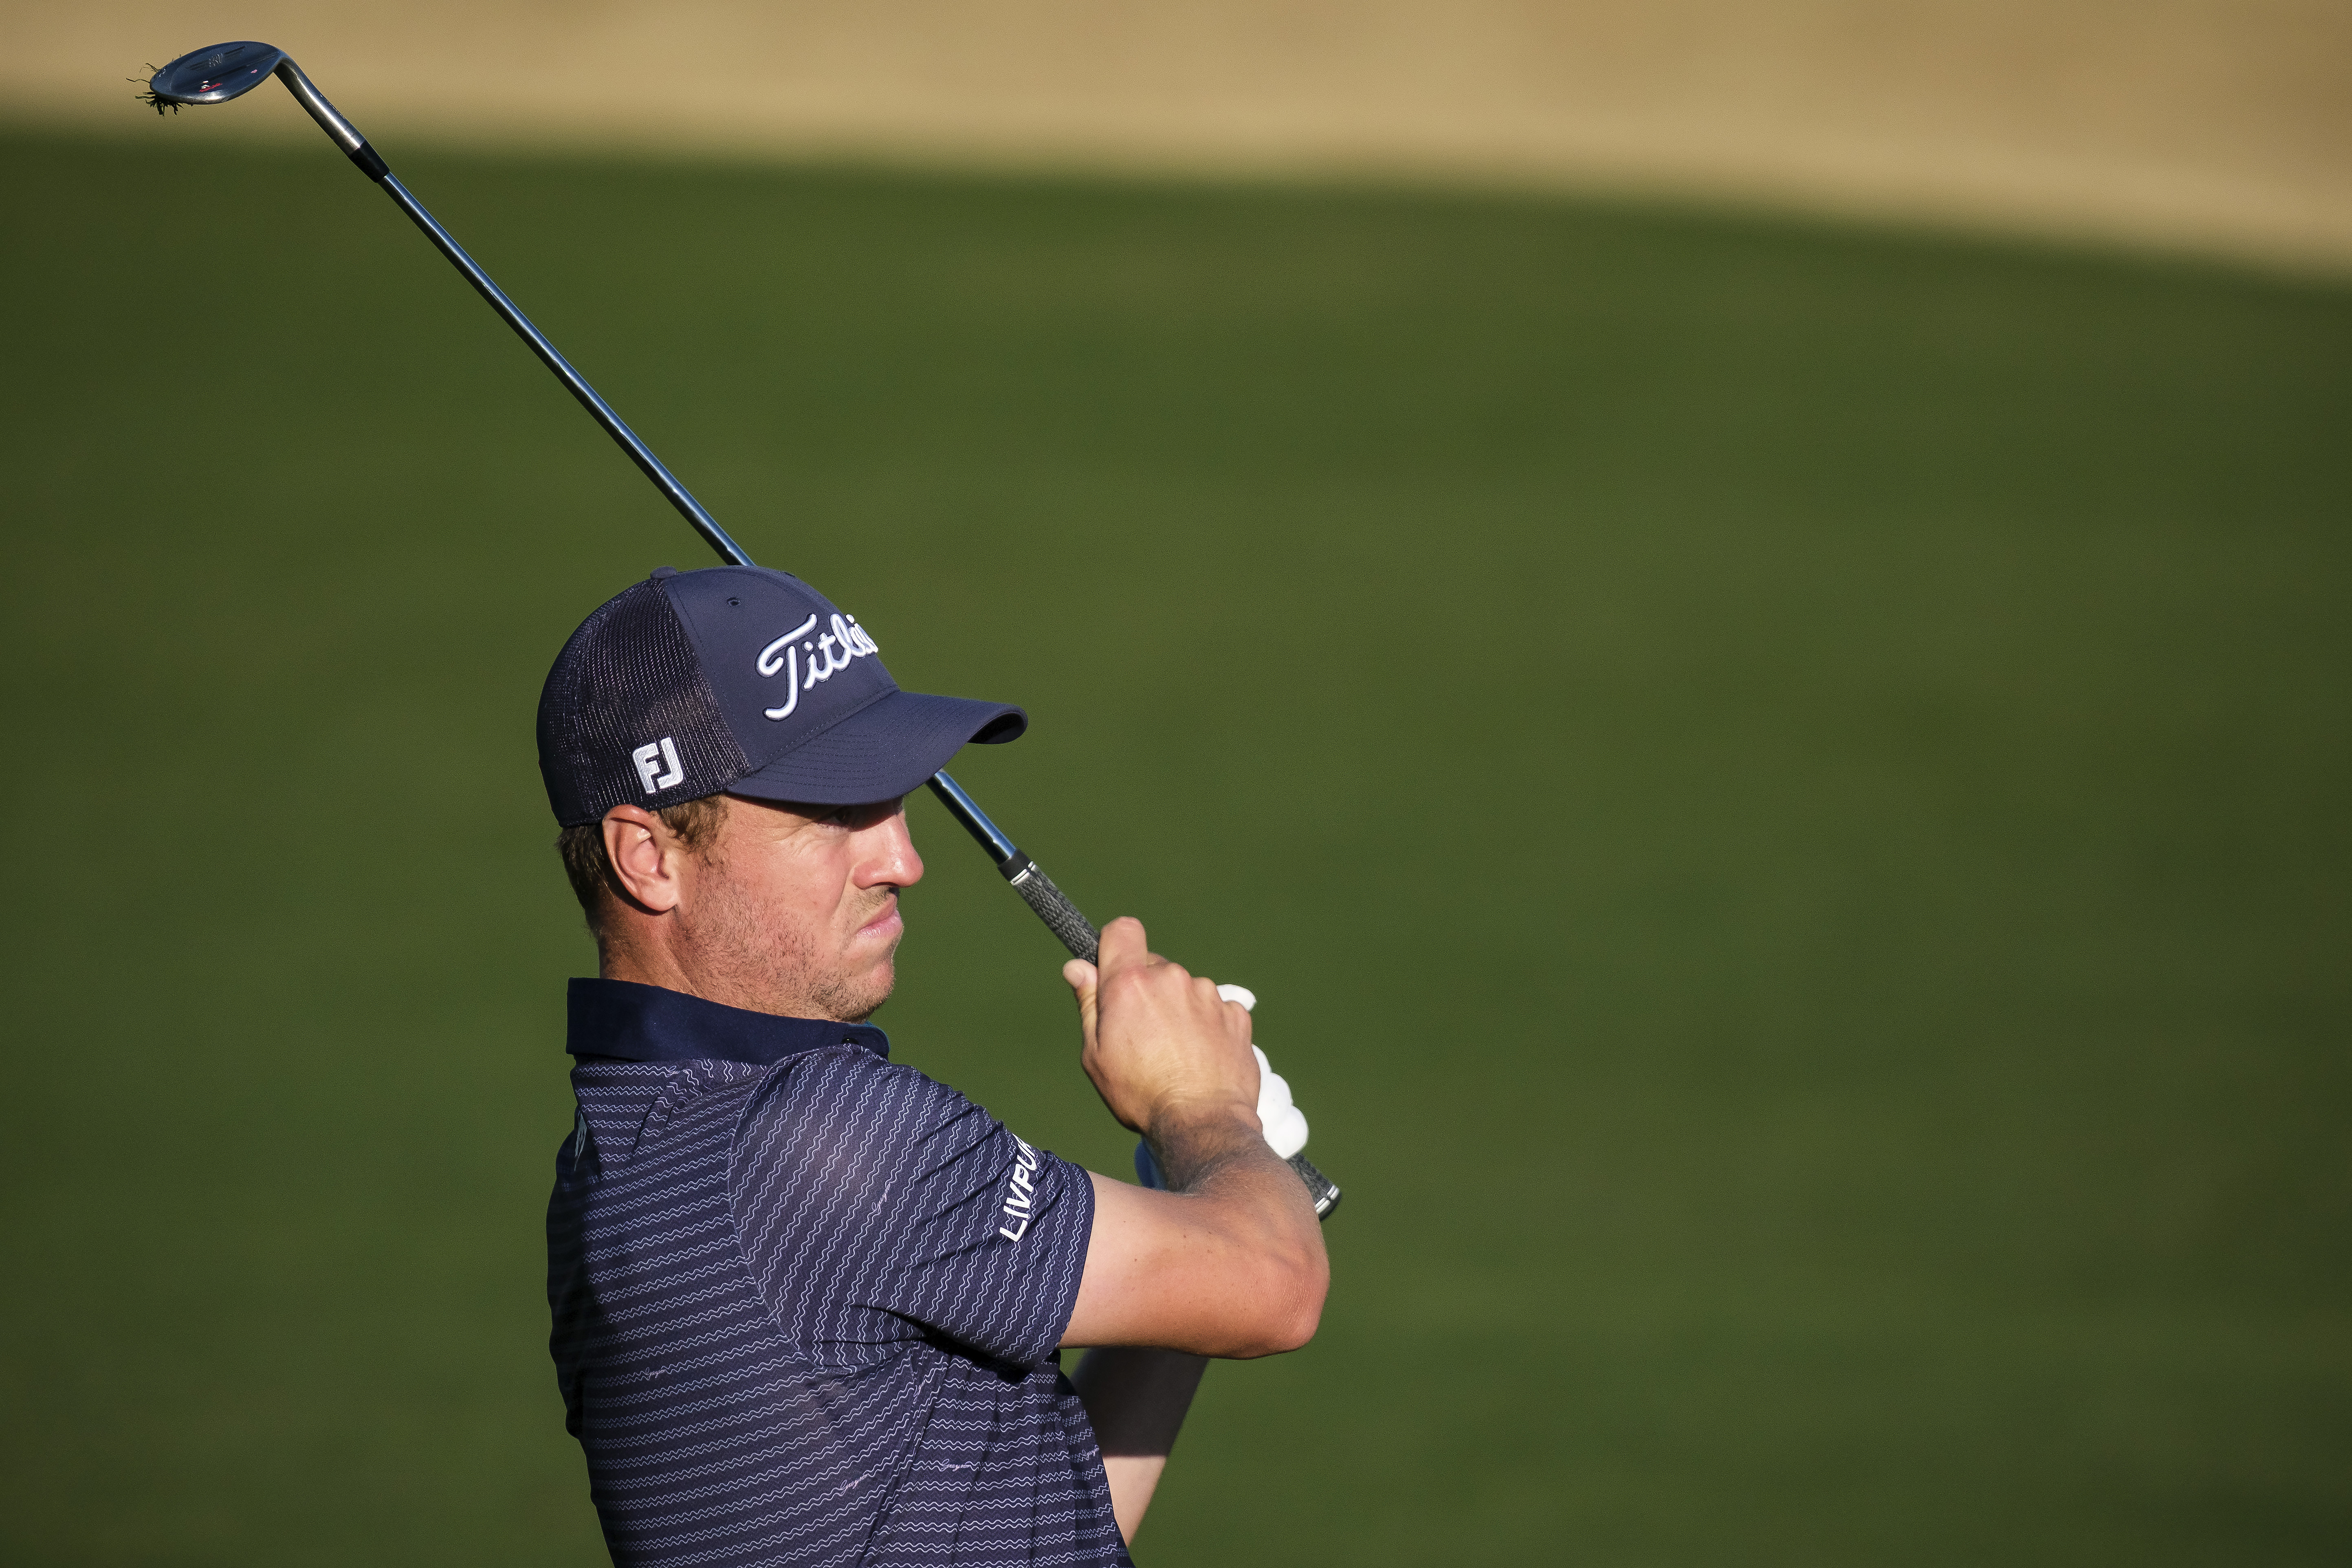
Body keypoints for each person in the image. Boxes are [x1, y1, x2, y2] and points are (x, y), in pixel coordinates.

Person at [537, 564, 1330, 1568]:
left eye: (892, 796)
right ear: (649, 857)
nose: (901, 861)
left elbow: (1015, 1519)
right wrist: (1203, 1106)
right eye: (827, 811)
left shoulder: (617, 1152)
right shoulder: (816, 1138)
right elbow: (1277, 1284)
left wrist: (1195, 1179)